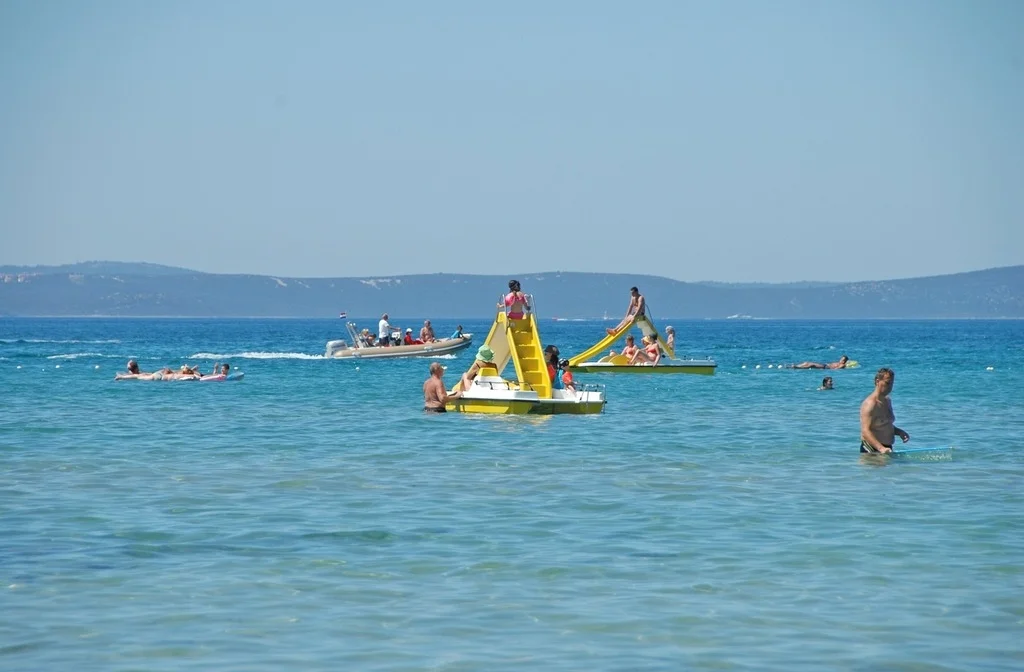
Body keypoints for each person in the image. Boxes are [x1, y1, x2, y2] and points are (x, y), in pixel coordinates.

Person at [859, 367, 910, 453]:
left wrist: (900, 432)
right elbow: (865, 431)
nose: (890, 387)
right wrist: (881, 448)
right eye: (887, 383)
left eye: (892, 383)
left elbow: (884, 425)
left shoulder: (887, 400)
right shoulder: (870, 404)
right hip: (871, 448)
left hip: (886, 448)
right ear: (877, 381)